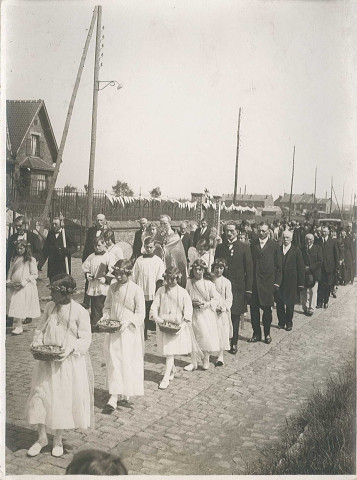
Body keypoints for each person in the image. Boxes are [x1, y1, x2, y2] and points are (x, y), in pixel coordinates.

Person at [27, 274, 93, 458]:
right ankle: (41, 438)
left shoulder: (79, 311)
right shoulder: (50, 307)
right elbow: (41, 328)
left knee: (61, 400)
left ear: (65, 293)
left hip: (66, 364)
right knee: (40, 396)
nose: (50, 294)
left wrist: (71, 348)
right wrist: (37, 341)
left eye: (54, 291)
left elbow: (86, 339)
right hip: (47, 361)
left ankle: (57, 439)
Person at [101, 260, 145, 413]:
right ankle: (113, 396)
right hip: (113, 331)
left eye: (122, 274)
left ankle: (125, 390)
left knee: (126, 361)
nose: (118, 277)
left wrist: (129, 321)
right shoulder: (112, 288)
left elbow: (141, 313)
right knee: (113, 360)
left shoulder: (136, 290)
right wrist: (105, 317)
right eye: (116, 274)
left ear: (128, 273)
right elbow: (107, 306)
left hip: (128, 333)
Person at [150, 267, 193, 389]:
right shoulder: (161, 291)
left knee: (170, 352)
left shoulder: (183, 292)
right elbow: (154, 306)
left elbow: (188, 309)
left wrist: (183, 324)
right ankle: (172, 370)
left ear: (178, 279)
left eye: (173, 279)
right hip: (163, 325)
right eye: (167, 279)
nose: (170, 281)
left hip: (176, 327)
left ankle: (165, 377)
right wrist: (157, 319)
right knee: (167, 351)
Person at [215, 222, 253, 354]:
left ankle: (234, 342)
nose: (229, 233)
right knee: (220, 313)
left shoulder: (244, 247)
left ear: (237, 231)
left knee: (235, 315)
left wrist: (248, 289)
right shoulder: (220, 247)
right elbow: (215, 267)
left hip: (237, 287)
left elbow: (249, 270)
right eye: (227, 231)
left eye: (231, 231)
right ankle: (221, 341)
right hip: (221, 287)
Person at [249, 222, 282, 344]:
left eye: (263, 231)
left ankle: (267, 333)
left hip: (268, 284)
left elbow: (279, 267)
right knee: (254, 311)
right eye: (260, 231)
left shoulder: (274, 246)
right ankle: (256, 333)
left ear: (269, 232)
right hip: (255, 284)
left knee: (267, 311)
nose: (261, 233)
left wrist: (276, 283)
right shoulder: (253, 245)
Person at [185, 259, 220, 371]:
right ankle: (193, 362)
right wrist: (191, 303)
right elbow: (185, 297)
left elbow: (215, 298)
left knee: (205, 337)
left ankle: (206, 359)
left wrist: (206, 304)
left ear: (204, 271)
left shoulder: (209, 283)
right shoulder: (189, 282)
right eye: (196, 269)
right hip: (193, 313)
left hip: (205, 314)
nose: (198, 272)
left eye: (200, 269)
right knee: (193, 337)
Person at [132, 237, 165, 340]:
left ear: (154, 247)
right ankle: (143, 333)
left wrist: (157, 290)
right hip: (141, 289)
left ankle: (157, 333)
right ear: (144, 247)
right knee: (142, 312)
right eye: (147, 247)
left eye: (151, 247)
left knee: (153, 311)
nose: (149, 249)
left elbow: (160, 276)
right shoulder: (139, 260)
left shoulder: (158, 261)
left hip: (152, 290)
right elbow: (134, 275)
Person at [6, 240, 41, 335]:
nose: (19, 250)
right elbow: (11, 270)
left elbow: (34, 274)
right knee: (12, 303)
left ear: (26, 248)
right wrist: (8, 279)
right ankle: (16, 323)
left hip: (24, 286)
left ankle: (19, 326)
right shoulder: (14, 258)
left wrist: (25, 281)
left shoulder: (30, 259)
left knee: (19, 304)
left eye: (21, 248)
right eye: (17, 248)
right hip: (14, 285)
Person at [275, 230, 305, 331]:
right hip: (279, 281)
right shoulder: (278, 250)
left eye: (287, 238)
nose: (285, 239)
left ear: (291, 239)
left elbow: (300, 268)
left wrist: (301, 284)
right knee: (279, 302)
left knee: (289, 303)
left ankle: (289, 322)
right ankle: (281, 321)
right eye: (284, 237)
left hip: (292, 282)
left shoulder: (296, 251)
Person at [82, 237, 114, 332]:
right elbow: (86, 268)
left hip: (103, 285)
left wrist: (105, 278)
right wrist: (88, 275)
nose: (97, 247)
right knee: (94, 304)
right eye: (95, 246)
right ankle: (95, 323)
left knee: (102, 304)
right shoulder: (91, 256)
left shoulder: (108, 256)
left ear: (104, 245)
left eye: (99, 245)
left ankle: (103, 323)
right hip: (94, 284)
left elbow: (113, 271)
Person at [82, 214, 108, 309]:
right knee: (89, 279)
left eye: (101, 220)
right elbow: (87, 245)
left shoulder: (107, 231)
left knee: (100, 279)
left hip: (102, 258)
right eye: (97, 220)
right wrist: (84, 258)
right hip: (91, 257)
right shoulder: (91, 230)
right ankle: (86, 301)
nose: (99, 222)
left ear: (105, 221)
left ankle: (100, 301)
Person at [211, 259, 233, 366]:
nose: (218, 270)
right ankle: (206, 353)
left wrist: (223, 308)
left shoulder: (227, 282)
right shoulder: (210, 280)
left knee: (221, 332)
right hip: (211, 309)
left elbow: (229, 298)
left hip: (221, 310)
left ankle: (220, 355)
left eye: (221, 268)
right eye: (216, 268)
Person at [159, 215, 188, 287]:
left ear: (170, 223)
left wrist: (165, 247)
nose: (163, 226)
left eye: (165, 223)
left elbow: (178, 253)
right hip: (161, 261)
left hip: (171, 262)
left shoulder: (175, 237)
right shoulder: (158, 234)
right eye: (161, 223)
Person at [316, 226, 339, 309]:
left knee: (328, 285)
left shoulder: (332, 242)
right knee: (320, 285)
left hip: (330, 267)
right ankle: (319, 302)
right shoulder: (317, 241)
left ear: (328, 232)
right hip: (320, 267)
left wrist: (337, 267)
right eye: (323, 231)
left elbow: (336, 254)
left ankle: (326, 301)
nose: (323, 233)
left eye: (325, 231)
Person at [301, 233, 323, 316]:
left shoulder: (318, 248)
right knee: (303, 291)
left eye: (310, 239)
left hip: (314, 273)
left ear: (313, 240)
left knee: (313, 291)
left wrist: (310, 268)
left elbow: (320, 261)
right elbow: (300, 259)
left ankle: (311, 308)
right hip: (304, 273)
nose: (308, 241)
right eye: (307, 239)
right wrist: (303, 267)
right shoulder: (302, 249)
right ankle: (305, 307)